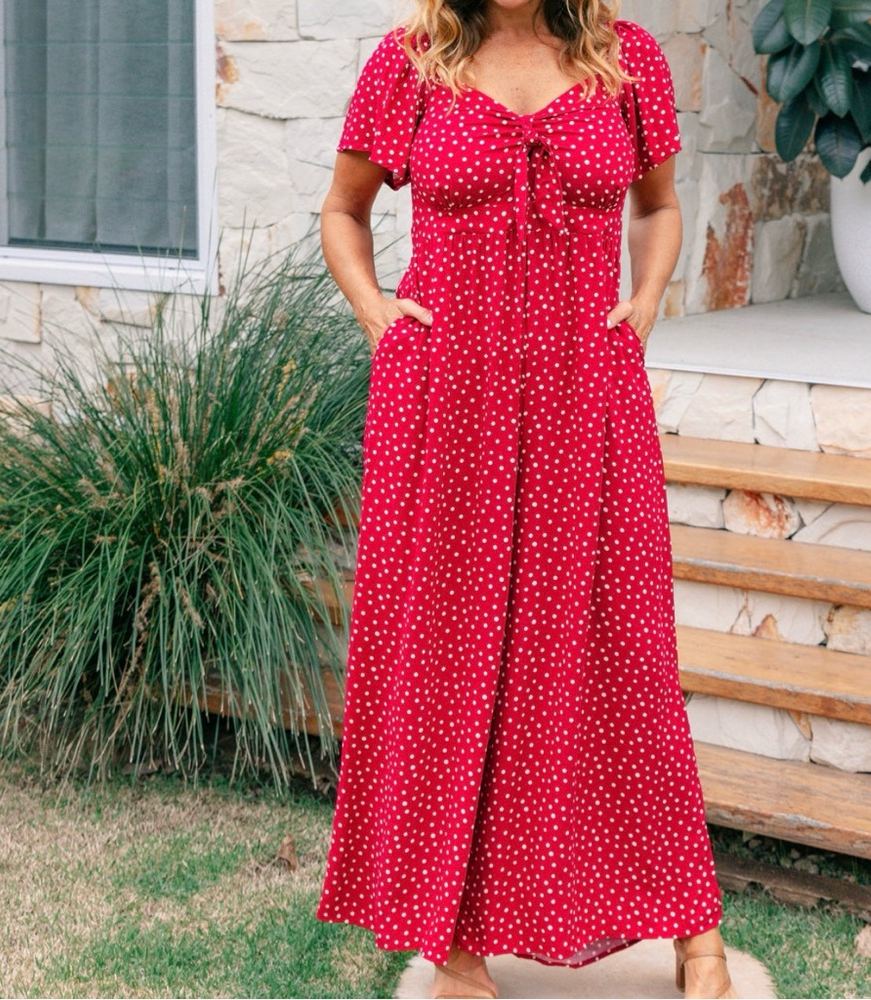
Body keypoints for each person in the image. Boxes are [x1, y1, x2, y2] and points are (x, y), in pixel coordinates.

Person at [315, 2, 737, 998]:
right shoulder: (410, 62)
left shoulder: (628, 59)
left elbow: (659, 204)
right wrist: (380, 315)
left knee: (626, 656)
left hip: (586, 401)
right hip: (444, 401)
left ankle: (693, 928)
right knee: (447, 661)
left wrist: (645, 299)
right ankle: (453, 945)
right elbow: (343, 210)